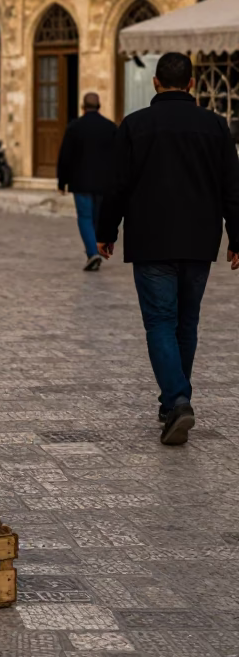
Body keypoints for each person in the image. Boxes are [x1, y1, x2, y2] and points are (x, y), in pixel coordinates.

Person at [98, 52, 239, 446]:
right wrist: (237, 237)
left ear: (156, 82)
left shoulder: (135, 125)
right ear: (192, 84)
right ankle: (172, 402)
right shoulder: (215, 126)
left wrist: (106, 231)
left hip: (152, 238)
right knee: (186, 322)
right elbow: (233, 187)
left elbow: (117, 186)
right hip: (199, 239)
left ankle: (177, 400)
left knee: (160, 322)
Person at [57, 92, 118, 271]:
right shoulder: (110, 127)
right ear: (99, 107)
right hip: (104, 184)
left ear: (83, 107)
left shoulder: (74, 127)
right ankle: (94, 250)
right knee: (96, 218)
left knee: (85, 217)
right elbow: (118, 157)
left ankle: (92, 253)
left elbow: (65, 156)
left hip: (81, 182)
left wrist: (62, 182)